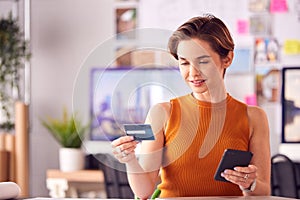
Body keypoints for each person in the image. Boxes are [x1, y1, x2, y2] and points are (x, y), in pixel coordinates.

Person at [111, 14, 271, 199]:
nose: (193, 73)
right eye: (184, 63)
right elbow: (143, 191)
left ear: (227, 59)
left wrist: (249, 183)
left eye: (203, 61)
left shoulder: (254, 117)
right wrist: (129, 160)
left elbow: (264, 189)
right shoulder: (162, 113)